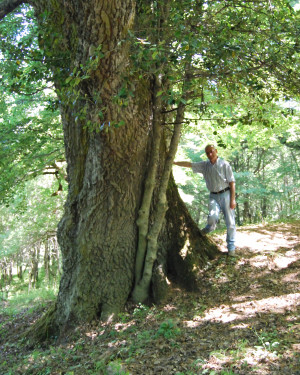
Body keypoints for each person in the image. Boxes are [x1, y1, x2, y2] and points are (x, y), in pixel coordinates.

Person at [173, 144, 237, 256]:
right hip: (213, 196)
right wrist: (173, 162)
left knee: (230, 222)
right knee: (212, 217)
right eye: (207, 153)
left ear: (216, 151)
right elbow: (189, 164)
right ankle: (209, 228)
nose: (210, 154)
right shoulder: (204, 165)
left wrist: (233, 199)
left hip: (226, 194)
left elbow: (232, 183)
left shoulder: (224, 164)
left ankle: (231, 248)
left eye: (211, 151)